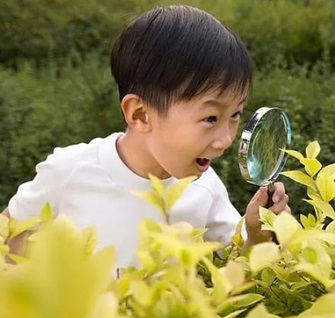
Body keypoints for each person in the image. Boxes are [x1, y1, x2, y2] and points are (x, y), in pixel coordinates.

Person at [1, 5, 289, 268]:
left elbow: (238, 271)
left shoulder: (207, 189)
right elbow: (9, 237)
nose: (226, 139)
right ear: (140, 114)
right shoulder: (70, 171)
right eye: (210, 118)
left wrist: (256, 234)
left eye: (235, 115)